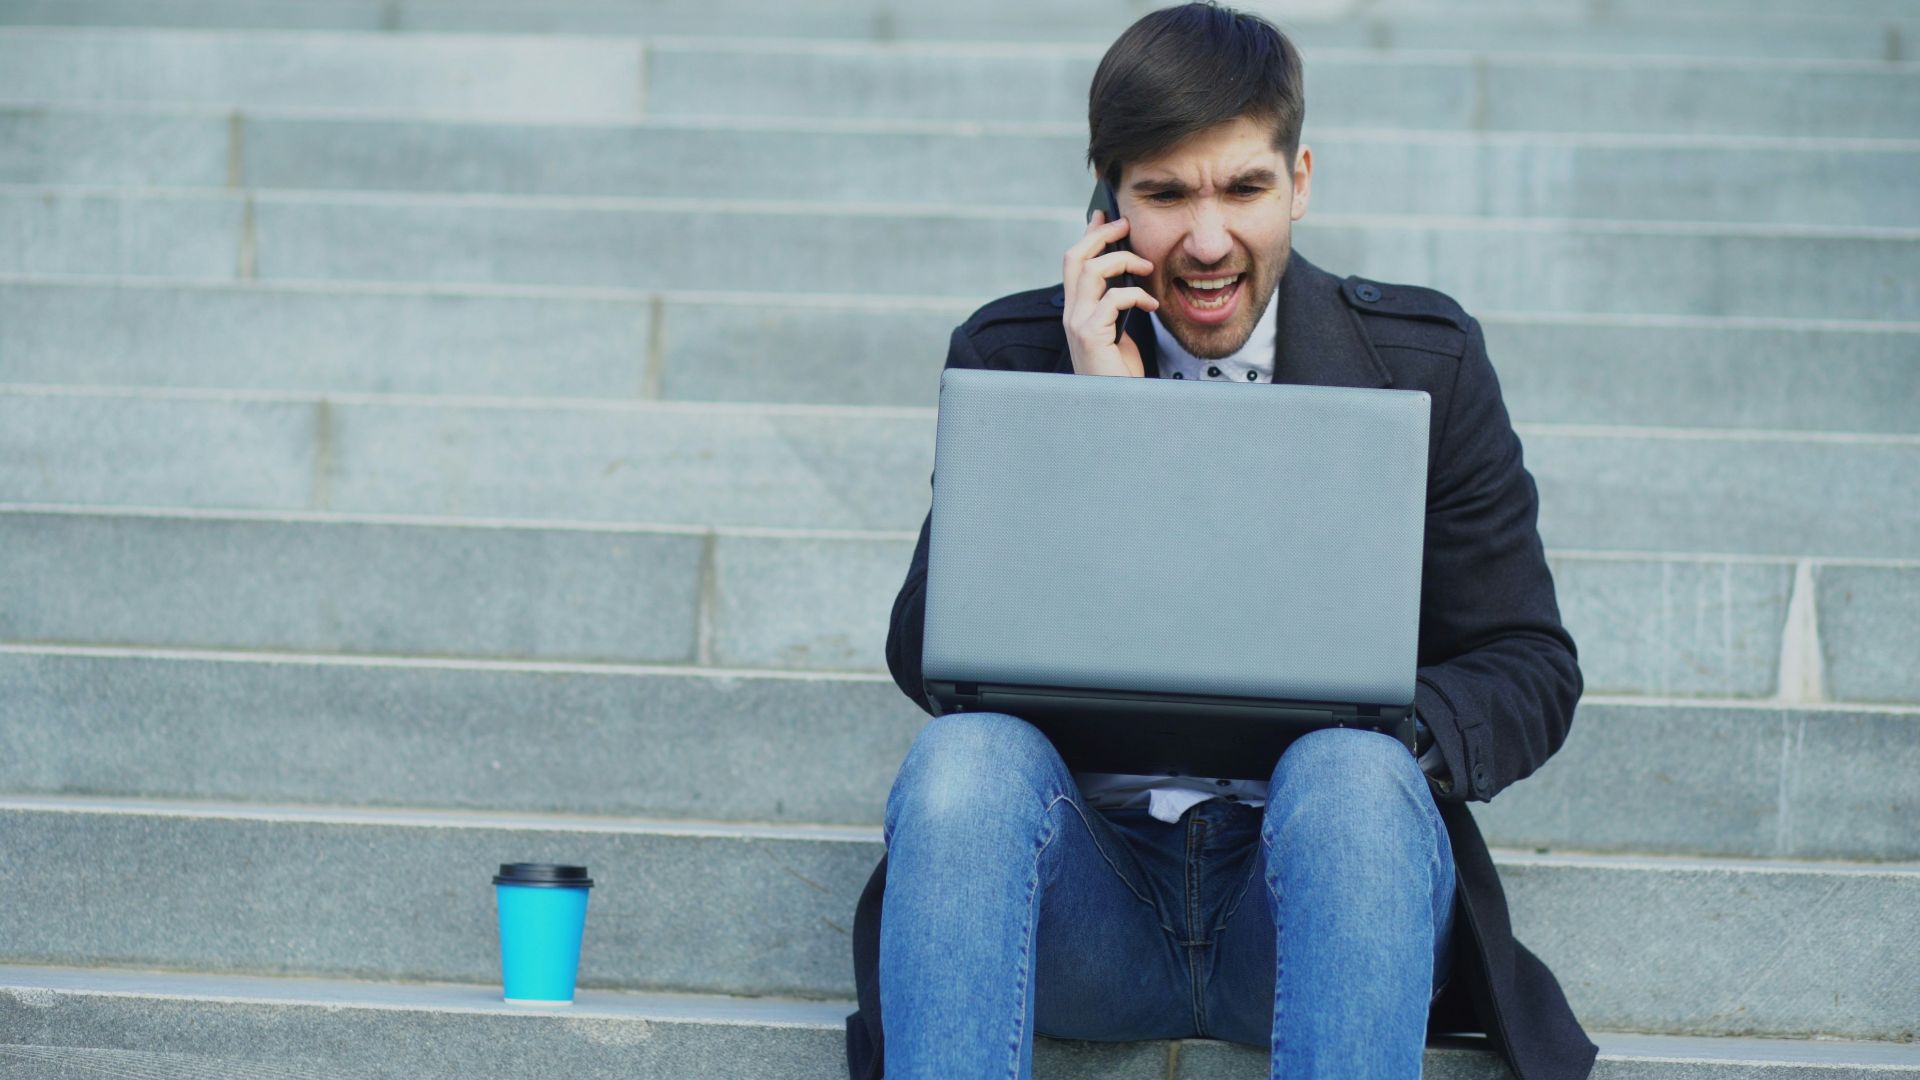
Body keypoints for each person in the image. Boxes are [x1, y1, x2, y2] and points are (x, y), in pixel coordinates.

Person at [845, 4, 1597, 1078]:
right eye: (1164, 194)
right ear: (1108, 202)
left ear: (1300, 178)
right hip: (1083, 906)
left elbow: (1529, 666)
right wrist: (1101, 431)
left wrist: (1377, 737)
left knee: (1346, 778)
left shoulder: (1424, 364)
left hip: (1319, 907)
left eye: (1243, 188)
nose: (1206, 240)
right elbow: (928, 656)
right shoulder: (1014, 355)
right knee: (963, 765)